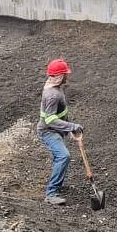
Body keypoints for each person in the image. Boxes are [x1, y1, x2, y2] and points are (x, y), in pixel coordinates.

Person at [36, 58, 84, 206]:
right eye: (65, 74)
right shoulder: (52, 95)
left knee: (60, 157)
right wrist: (71, 126)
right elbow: (50, 119)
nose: (67, 76)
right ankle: (51, 194)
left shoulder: (54, 86)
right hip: (48, 131)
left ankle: (57, 184)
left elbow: (61, 112)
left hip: (57, 130)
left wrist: (68, 129)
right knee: (63, 156)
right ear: (59, 77)